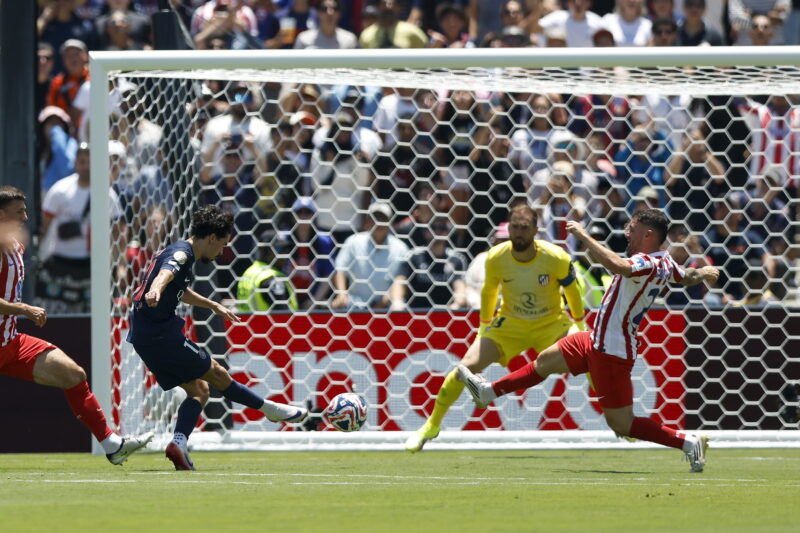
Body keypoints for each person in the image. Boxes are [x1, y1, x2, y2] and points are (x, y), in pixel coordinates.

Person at [457, 209, 720, 472]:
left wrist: (583, 236)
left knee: (622, 424)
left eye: (633, 228)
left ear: (648, 234)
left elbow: (619, 266)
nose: (627, 232)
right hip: (595, 340)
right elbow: (686, 277)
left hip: (611, 351)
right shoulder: (665, 262)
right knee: (545, 361)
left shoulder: (647, 263)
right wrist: (704, 271)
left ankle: (688, 442)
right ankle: (487, 392)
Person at [127, 206, 308, 470]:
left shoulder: (181, 250)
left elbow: (178, 289)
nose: (222, 252)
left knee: (199, 390)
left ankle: (179, 443)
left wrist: (212, 305)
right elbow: (166, 274)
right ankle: (269, 410)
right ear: (211, 238)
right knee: (217, 373)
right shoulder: (181, 254)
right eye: (222, 245)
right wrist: (155, 290)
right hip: (159, 334)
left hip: (146, 335)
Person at [405, 204, 587, 452]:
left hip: (551, 323)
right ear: (509, 227)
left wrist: (579, 324)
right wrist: (483, 330)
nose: (519, 233)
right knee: (464, 369)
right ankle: (431, 426)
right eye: (515, 227)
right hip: (510, 324)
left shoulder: (556, 257)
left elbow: (572, 292)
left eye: (524, 228)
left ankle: (622, 422)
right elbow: (489, 293)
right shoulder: (496, 257)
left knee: (590, 357)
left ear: (536, 229)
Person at [0, 186, 152, 465]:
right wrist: (24, 308)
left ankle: (112, 444)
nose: (25, 216)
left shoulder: (16, 245)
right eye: (18, 211)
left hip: (10, 342)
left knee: (73, 374)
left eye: (25, 209)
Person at [332, 202, 410, 311]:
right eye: (375, 218)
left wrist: (383, 303)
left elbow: (401, 279)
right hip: (355, 304)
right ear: (367, 221)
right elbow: (340, 270)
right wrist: (341, 294)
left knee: (399, 307)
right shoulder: (353, 242)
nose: (378, 222)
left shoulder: (400, 248)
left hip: (388, 306)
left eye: (383, 219)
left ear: (390, 222)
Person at [237, 230, 298, 312]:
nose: (284, 254)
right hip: (268, 324)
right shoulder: (272, 279)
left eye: (286, 249)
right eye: (279, 249)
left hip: (248, 323)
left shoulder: (249, 272)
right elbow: (284, 316)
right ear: (263, 251)